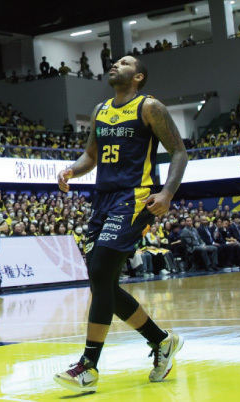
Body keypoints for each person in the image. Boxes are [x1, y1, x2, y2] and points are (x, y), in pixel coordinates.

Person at [54, 56, 187, 393]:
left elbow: (179, 152)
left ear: (138, 76)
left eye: (124, 63)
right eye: (114, 62)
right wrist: (71, 169)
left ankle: (88, 367)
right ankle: (161, 341)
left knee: (100, 275)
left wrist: (167, 193)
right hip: (102, 201)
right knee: (105, 285)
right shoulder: (101, 110)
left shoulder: (149, 106)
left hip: (134, 198)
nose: (115, 65)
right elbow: (91, 156)